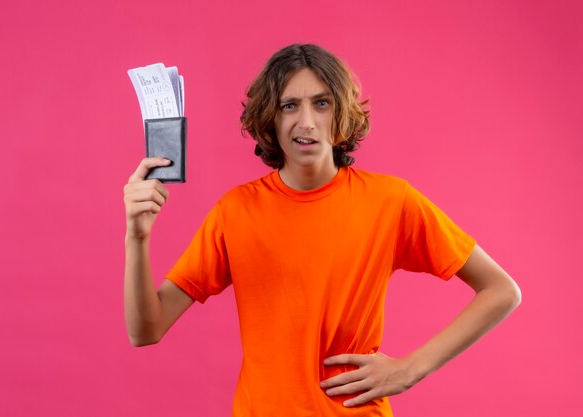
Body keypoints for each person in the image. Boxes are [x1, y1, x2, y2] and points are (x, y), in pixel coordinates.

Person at [123, 44, 521, 416]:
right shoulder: (235, 211)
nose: (307, 122)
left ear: (341, 113)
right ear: (270, 119)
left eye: (322, 103)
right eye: (289, 105)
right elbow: (147, 329)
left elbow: (501, 290)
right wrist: (137, 237)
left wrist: (411, 369)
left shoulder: (390, 200)